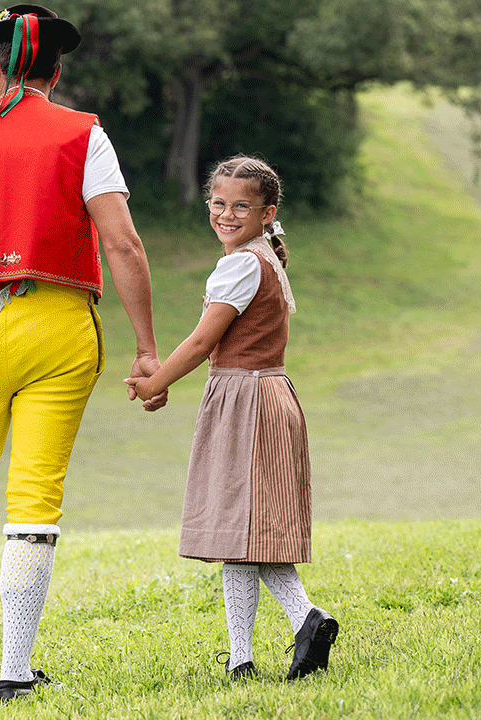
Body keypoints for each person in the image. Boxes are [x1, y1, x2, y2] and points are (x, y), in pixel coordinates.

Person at [0, 4, 160, 702]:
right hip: (58, 328)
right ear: (56, 70)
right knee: (34, 498)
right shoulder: (84, 135)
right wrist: (147, 349)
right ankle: (13, 673)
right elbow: (123, 244)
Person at [124, 155, 339, 681]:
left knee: (242, 527)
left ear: (267, 213)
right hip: (266, 394)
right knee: (240, 532)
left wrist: (157, 381)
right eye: (218, 203)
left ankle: (305, 618)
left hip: (246, 400)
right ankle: (242, 658)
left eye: (241, 206)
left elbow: (204, 339)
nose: (225, 213)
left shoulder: (242, 264)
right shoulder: (264, 257)